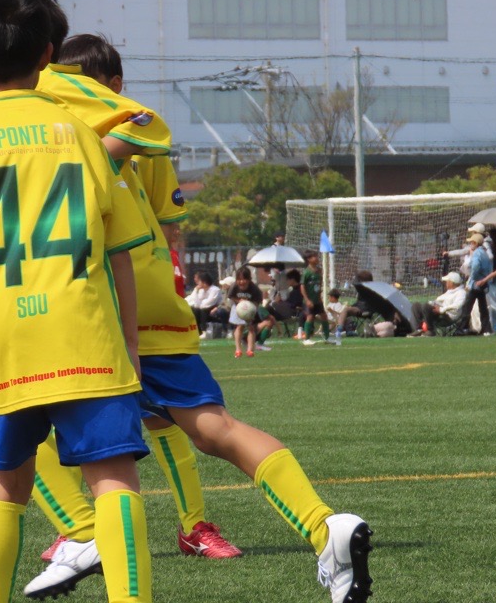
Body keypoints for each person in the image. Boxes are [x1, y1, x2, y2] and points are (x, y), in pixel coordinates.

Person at [24, 30, 372, 602]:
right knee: (214, 428)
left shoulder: (50, 128)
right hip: (153, 297)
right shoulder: (133, 129)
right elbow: (164, 222)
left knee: (22, 420)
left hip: (88, 299)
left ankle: (84, 532)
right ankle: (322, 525)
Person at [0, 0, 154, 603]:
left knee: (6, 482)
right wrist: (129, 343)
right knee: (113, 479)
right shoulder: (81, 136)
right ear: (48, 55)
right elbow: (120, 253)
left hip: (4, 343)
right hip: (85, 333)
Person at [22, 32, 243, 600]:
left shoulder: (133, 137)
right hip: (84, 299)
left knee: (164, 419)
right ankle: (81, 529)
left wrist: (169, 278)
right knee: (42, 416)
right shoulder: (55, 138)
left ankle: (189, 527)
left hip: (137, 299)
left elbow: (164, 219)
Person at [409, 271, 467, 336]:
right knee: (416, 306)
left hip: (449, 316)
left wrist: (441, 309)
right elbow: (438, 300)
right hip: (441, 312)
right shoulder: (449, 292)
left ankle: (430, 331)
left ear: (452, 283)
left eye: (447, 281)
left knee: (426, 307)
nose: (446, 283)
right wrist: (432, 304)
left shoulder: (461, 292)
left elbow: (457, 305)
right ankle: (418, 330)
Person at [456, 233, 492, 336]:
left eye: (471, 242)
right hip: (483, 283)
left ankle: (462, 328)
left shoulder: (477, 253)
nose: (470, 244)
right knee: (483, 307)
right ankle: (486, 328)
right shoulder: (484, 253)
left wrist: (472, 278)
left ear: (475, 243)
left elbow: (475, 266)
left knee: (467, 307)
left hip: (476, 284)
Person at [227, 266, 263, 358]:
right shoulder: (234, 286)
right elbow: (230, 296)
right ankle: (238, 349)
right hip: (238, 308)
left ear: (249, 279)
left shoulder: (254, 288)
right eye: (239, 279)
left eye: (244, 279)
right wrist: (239, 301)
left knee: (251, 328)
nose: (241, 282)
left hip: (250, 309)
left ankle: (250, 350)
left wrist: (251, 307)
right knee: (239, 326)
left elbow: (258, 300)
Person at [335, 270, 375, 341]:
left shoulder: (368, 289)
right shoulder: (364, 288)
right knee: (346, 310)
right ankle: (349, 330)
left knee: (346, 310)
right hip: (361, 307)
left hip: (365, 309)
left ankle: (339, 331)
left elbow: (366, 303)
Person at [301, 250, 330, 345]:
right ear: (309, 259)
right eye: (314, 257)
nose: (317, 258)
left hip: (317, 300)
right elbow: (302, 286)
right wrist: (307, 300)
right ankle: (306, 339)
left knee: (324, 316)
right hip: (309, 300)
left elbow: (319, 284)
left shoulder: (319, 271)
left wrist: (319, 296)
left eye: (316, 256)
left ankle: (327, 338)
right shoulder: (306, 272)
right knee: (310, 317)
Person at [185, 271, 223, 339]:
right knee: (194, 310)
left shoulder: (215, 290)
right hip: (202, 308)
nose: (198, 283)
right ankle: (197, 331)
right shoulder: (200, 290)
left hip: (214, 309)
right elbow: (196, 304)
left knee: (203, 311)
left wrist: (200, 303)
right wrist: (196, 291)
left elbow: (208, 304)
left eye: (199, 281)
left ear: (204, 282)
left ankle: (204, 331)